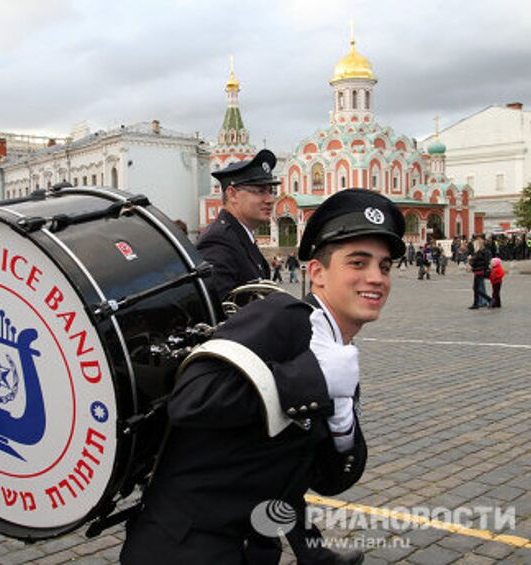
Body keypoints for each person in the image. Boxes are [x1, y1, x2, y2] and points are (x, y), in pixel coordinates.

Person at [121, 188, 405, 565]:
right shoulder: (280, 317)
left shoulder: (335, 348)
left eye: (384, 267)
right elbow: (192, 400)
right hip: (183, 548)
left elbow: (320, 477)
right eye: (358, 262)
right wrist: (309, 380)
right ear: (317, 273)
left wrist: (341, 425)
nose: (376, 278)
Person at [197, 149, 274, 299]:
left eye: (271, 191)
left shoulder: (238, 235)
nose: (270, 199)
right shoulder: (217, 241)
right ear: (232, 194)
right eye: (260, 191)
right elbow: (220, 312)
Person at [468, 235, 492, 310]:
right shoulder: (485, 251)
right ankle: (477, 303)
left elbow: (474, 262)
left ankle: (488, 300)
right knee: (477, 288)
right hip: (480, 271)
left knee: (476, 288)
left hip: (479, 271)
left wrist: (470, 259)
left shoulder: (479, 253)